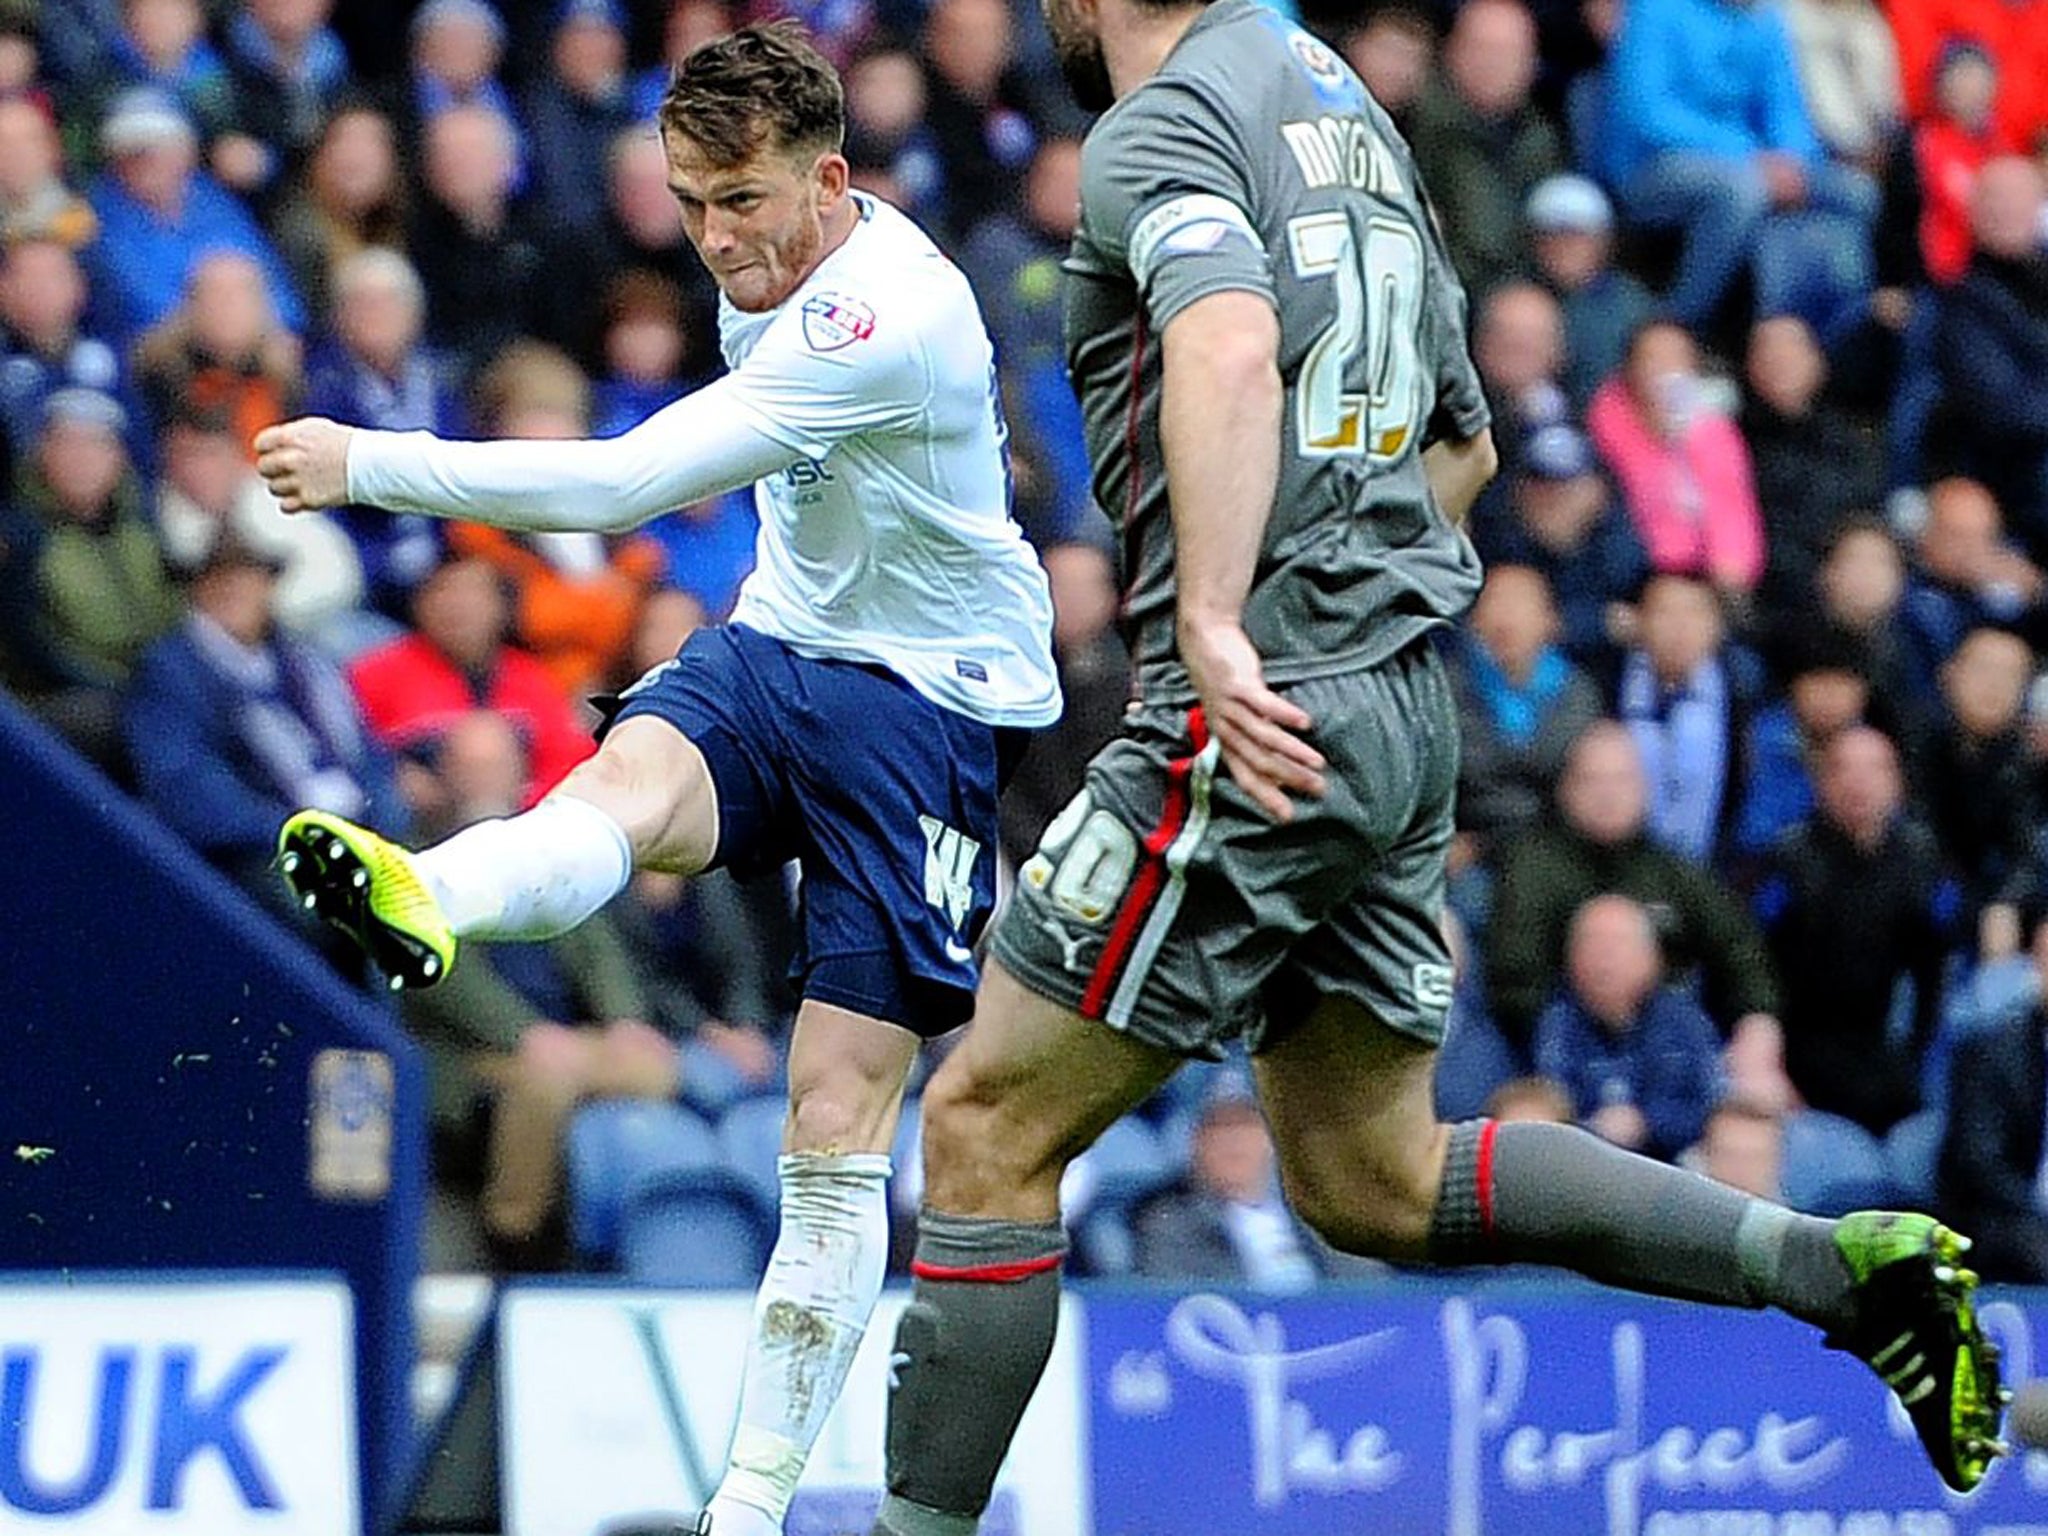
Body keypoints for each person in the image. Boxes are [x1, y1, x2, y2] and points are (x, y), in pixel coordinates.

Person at [852, 4, 2004, 1533]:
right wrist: (1355, 610)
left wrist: (1213, 617)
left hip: (1261, 700)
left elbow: (1230, 339)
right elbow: (1460, 440)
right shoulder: (1345, 116)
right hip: (1397, 701)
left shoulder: (1160, 123)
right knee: (1372, 1180)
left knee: (987, 1124)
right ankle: (1834, 1273)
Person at [252, 26, 1058, 1536]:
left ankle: (749, 1502)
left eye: (741, 203)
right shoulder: (764, 254)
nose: (715, 238)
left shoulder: (889, 313)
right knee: (622, 784)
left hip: (931, 708)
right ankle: (435, 891)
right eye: (690, 203)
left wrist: (374, 464)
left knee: (832, 1120)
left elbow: (626, 484)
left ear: (829, 178)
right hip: (780, 641)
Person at [1532, 894, 1724, 1162]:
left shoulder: (1685, 1023)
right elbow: (1545, 1108)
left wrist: (1647, 1123)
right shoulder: (1557, 1024)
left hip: (1673, 1169)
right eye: (1591, 944)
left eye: (1617, 945)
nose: (1603, 959)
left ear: (1653, 957)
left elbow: (1709, 1108)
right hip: (1582, 1168)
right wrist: (1592, 1130)